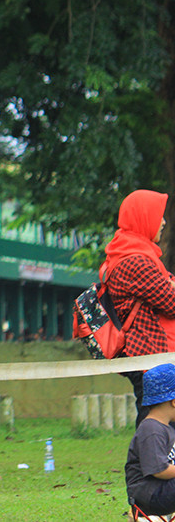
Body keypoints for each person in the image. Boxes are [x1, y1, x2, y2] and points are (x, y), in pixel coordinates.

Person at [103, 189, 175, 426]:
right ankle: (147, 464)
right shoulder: (135, 260)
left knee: (156, 425)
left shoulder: (129, 252)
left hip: (149, 355)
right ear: (143, 217)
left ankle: (143, 464)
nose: (163, 222)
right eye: (158, 215)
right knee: (157, 425)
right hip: (149, 355)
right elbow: (171, 302)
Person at [126, 363, 175, 517]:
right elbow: (158, 470)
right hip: (151, 495)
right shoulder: (151, 430)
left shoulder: (165, 428)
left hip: (162, 489)